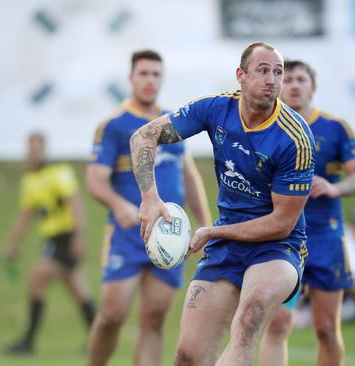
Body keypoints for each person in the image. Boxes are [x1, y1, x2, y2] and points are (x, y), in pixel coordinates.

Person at [129, 42, 315, 366]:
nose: (272, 79)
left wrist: (215, 232)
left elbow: (281, 224)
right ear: (240, 75)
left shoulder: (295, 138)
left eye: (278, 72)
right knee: (188, 356)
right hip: (227, 243)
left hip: (278, 247)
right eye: (263, 70)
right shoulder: (216, 109)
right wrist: (149, 198)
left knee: (248, 319)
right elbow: (143, 136)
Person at [87, 49, 211, 366]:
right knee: (113, 314)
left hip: (170, 233)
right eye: (143, 73)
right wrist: (120, 206)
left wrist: (206, 223)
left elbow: (189, 175)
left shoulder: (172, 123)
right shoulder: (114, 126)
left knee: (154, 319)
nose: (149, 80)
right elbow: (96, 181)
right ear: (131, 78)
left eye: (156, 74)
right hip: (128, 234)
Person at [258, 59, 355, 366]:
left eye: (300, 79)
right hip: (282, 239)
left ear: (313, 87)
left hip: (325, 237)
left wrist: (337, 188)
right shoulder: (266, 128)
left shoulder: (335, 128)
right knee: (278, 323)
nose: (294, 85)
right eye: (288, 79)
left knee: (326, 329)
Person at [2, 132, 96, 355]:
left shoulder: (58, 173)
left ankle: (28, 342)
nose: (33, 154)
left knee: (37, 280)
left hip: (65, 237)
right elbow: (25, 216)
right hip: (52, 239)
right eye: (30, 149)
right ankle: (97, 338)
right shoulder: (30, 180)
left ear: (45, 150)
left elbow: (75, 204)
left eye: (37, 149)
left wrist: (77, 237)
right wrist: (12, 245)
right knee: (77, 288)